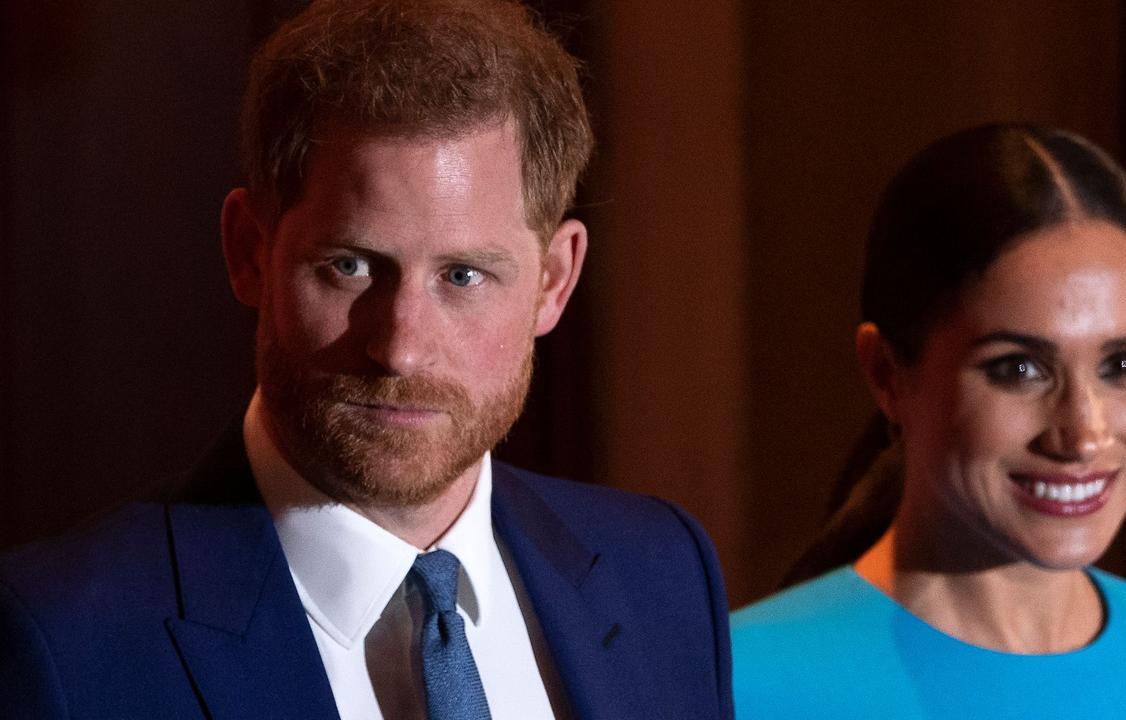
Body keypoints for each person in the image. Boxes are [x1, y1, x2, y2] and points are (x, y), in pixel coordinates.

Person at [0, 2, 732, 718]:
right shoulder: (63, 645)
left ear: (553, 280)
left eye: (463, 276)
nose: (401, 347)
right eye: (350, 266)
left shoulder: (663, 577)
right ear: (250, 251)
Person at [731, 124, 1126, 718]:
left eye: (1125, 363)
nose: (1083, 433)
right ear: (887, 374)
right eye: (1018, 368)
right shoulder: (737, 686)